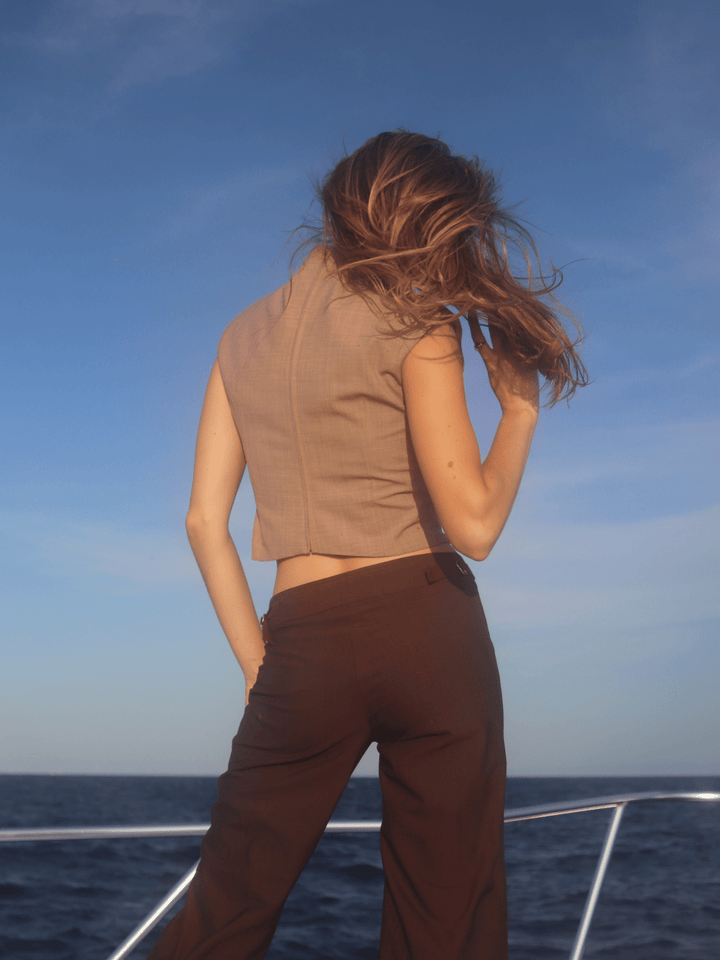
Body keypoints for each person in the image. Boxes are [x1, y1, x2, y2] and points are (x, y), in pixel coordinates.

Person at [146, 130, 588, 960]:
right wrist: (520, 415)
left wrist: (255, 663)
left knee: (228, 903)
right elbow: (478, 525)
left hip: (299, 637)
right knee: (444, 908)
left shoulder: (239, 338)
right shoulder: (419, 318)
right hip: (426, 624)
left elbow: (205, 520)